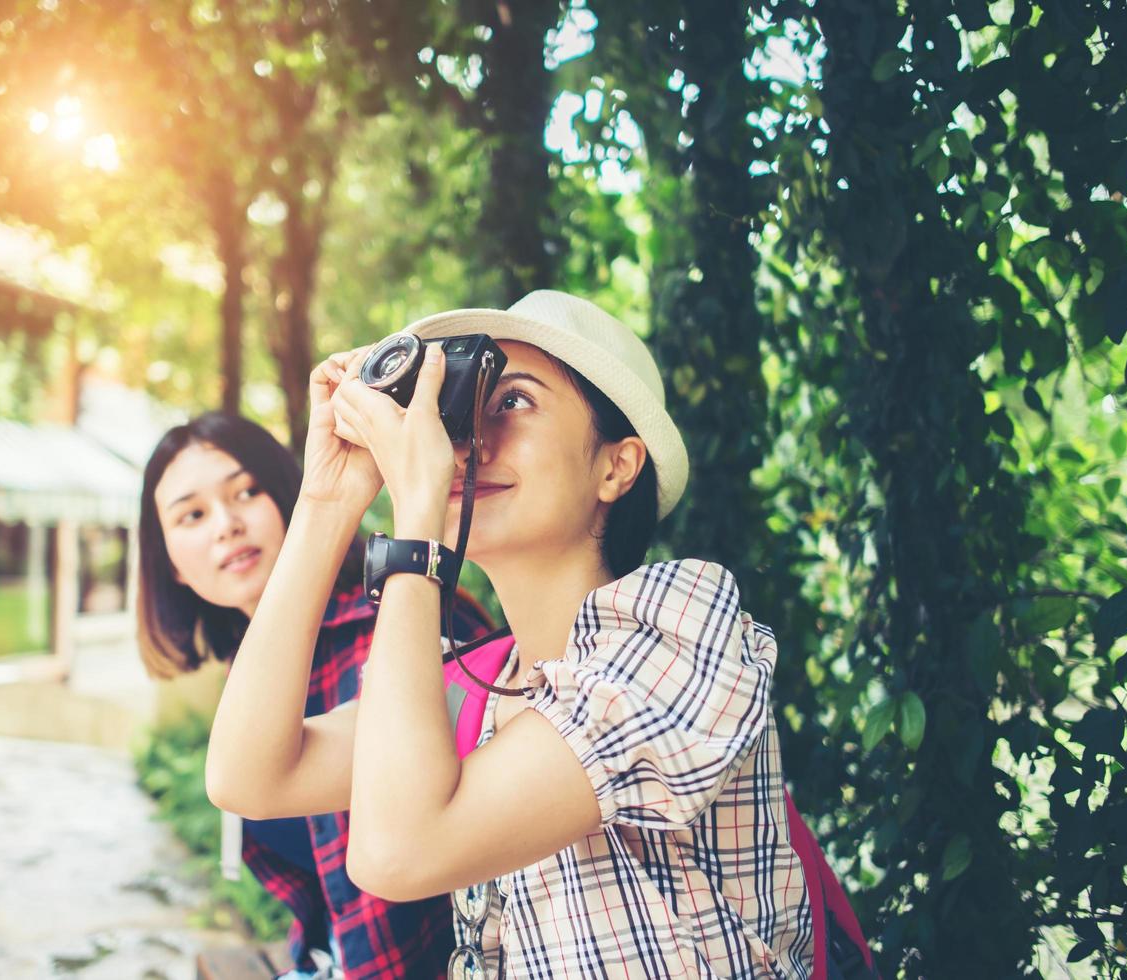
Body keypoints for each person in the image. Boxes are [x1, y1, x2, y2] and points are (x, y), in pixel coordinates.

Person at [206, 291, 814, 977]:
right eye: (459, 414)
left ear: (616, 465)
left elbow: (397, 853)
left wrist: (415, 522)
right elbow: (248, 776)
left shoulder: (683, 631)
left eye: (514, 402)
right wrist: (327, 501)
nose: (469, 444)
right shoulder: (476, 687)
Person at [136, 412, 490, 979]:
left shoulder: (400, 628)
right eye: (193, 515)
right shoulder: (252, 670)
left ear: (287, 497)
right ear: (170, 565)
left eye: (246, 492)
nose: (226, 524)